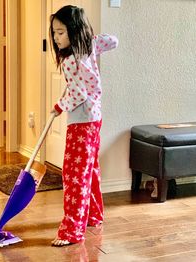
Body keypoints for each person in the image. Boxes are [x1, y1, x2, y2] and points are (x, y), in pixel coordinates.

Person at [49, 5, 118, 246]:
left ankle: (71, 230)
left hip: (81, 122)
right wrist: (90, 40)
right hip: (95, 118)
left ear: (74, 30)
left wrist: (58, 106)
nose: (56, 38)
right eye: (54, 33)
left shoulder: (69, 60)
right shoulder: (88, 46)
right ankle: (93, 215)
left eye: (60, 32)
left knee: (74, 174)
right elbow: (113, 41)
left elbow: (77, 94)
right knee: (90, 170)